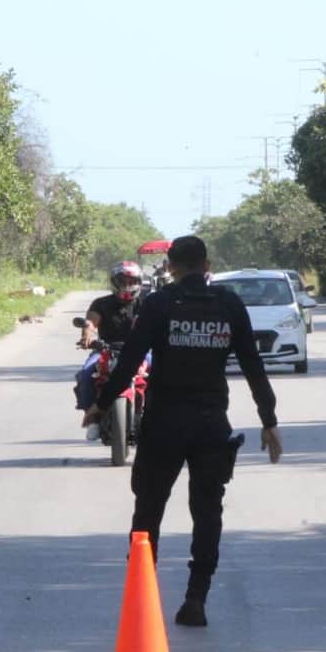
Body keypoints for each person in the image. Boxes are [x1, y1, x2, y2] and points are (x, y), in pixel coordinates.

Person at [84, 235, 283, 627]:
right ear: (207, 266)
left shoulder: (159, 304)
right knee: (207, 512)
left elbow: (131, 361)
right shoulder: (229, 305)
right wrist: (269, 420)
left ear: (171, 267)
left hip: (164, 423)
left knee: (148, 510)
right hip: (211, 424)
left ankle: (143, 599)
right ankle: (196, 598)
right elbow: (252, 365)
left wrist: (101, 404)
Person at [74, 261, 145, 436]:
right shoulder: (101, 304)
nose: (127, 285)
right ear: (114, 282)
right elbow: (91, 322)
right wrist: (87, 335)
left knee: (162, 375)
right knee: (85, 375)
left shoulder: (146, 304)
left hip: (141, 349)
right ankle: (92, 418)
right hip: (106, 349)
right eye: (122, 281)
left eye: (131, 281)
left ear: (138, 282)